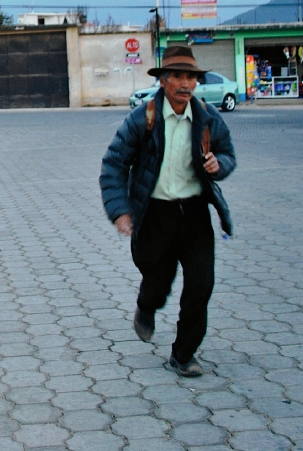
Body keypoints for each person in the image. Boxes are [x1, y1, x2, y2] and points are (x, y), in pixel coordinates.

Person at [99, 44, 237, 377]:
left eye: (191, 77)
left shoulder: (206, 118)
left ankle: (184, 353)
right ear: (163, 80)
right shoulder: (143, 118)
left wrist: (220, 165)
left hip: (194, 213)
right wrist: (120, 211)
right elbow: (114, 165)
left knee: (201, 284)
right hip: (155, 214)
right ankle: (147, 306)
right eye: (177, 76)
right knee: (158, 280)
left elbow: (228, 154)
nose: (185, 84)